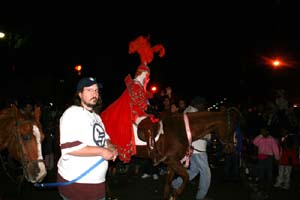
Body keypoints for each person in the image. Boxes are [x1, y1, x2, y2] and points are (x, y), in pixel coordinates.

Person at [100, 35, 165, 163]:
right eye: (146, 76)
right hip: (133, 113)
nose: (148, 78)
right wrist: (149, 109)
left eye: (148, 76)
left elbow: (145, 98)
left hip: (140, 111)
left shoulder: (141, 88)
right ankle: (152, 151)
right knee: (148, 125)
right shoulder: (135, 85)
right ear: (141, 74)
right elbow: (139, 102)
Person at [57, 77, 118, 200]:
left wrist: (111, 147)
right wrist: (102, 151)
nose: (94, 94)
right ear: (80, 94)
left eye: (96, 90)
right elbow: (71, 148)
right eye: (89, 90)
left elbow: (105, 138)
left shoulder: (96, 117)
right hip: (77, 185)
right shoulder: (72, 113)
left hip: (98, 183)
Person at [172, 101, 213, 200]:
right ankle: (201, 196)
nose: (203, 106)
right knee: (206, 173)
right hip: (198, 148)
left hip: (192, 147)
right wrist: (208, 136)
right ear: (197, 104)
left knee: (194, 170)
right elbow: (200, 131)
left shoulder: (187, 113)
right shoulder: (196, 115)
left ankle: (176, 183)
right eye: (202, 105)